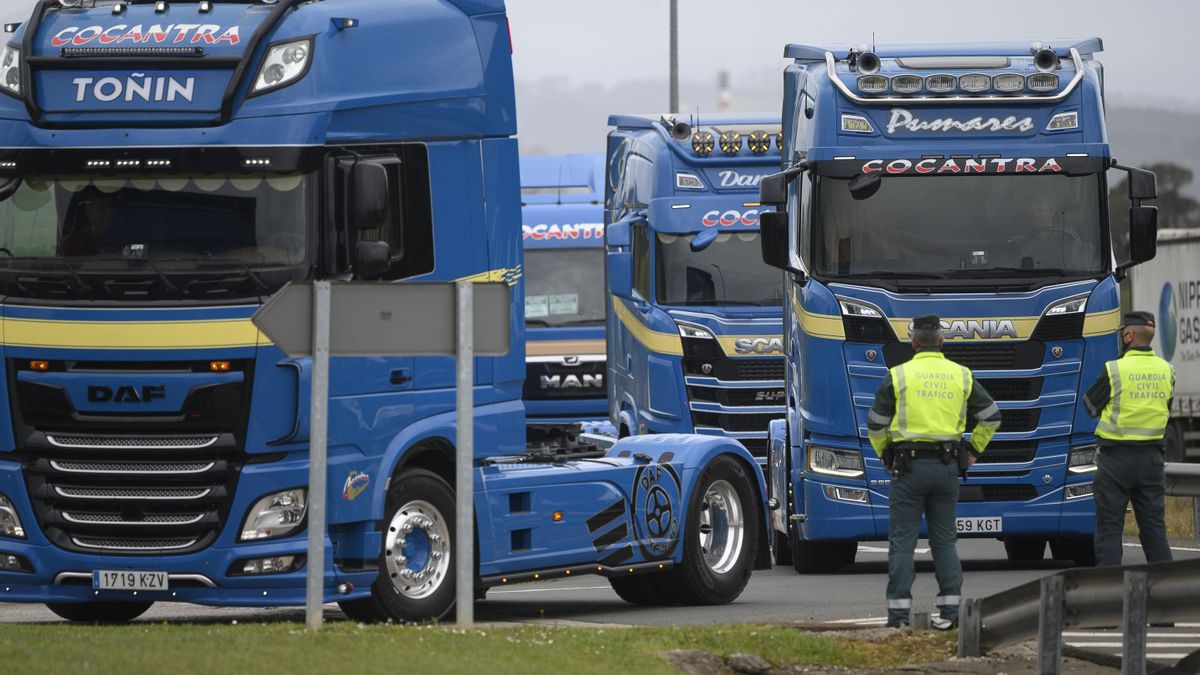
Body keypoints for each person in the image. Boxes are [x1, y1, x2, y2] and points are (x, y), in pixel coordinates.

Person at [867, 314, 1001, 629]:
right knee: (945, 542)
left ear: (913, 342)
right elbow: (992, 416)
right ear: (942, 341)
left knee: (902, 542)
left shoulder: (898, 376)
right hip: (946, 469)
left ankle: (899, 617)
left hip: (908, 468)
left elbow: (875, 423)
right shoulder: (962, 375)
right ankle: (951, 614)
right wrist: (972, 452)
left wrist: (886, 453)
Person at [1083, 311, 1175, 567]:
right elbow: (1165, 407)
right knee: (1155, 531)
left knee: (1110, 531)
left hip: (1116, 462)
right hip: (1152, 461)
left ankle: (1110, 597)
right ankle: (1168, 594)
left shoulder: (1115, 369)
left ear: (1129, 335)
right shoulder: (1167, 370)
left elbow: (1090, 406)